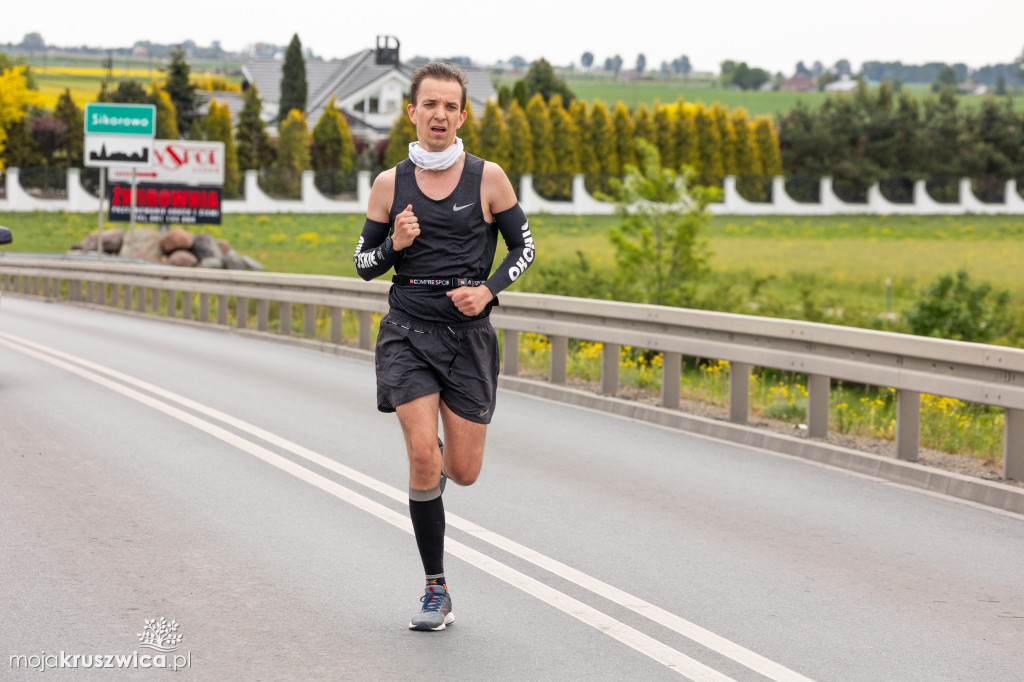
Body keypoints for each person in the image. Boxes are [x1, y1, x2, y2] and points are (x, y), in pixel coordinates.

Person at [353, 62, 536, 631]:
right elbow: (363, 266)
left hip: (467, 339)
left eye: (450, 106)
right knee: (423, 458)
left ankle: (435, 451)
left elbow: (524, 248)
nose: (439, 114)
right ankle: (436, 588)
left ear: (462, 115)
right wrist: (395, 245)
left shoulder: (489, 178)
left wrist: (487, 290)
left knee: (463, 468)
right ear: (412, 112)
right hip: (407, 332)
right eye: (428, 104)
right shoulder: (390, 184)